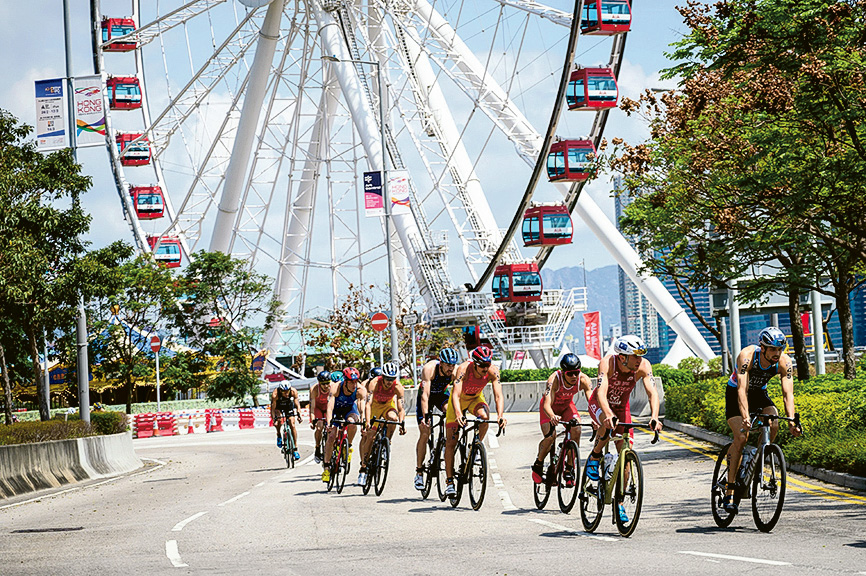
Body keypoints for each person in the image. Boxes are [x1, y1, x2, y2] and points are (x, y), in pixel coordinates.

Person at [722, 326, 801, 513]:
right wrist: (745, 417)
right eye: (772, 349)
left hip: (759, 394)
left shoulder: (784, 362)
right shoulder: (747, 356)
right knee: (741, 437)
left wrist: (792, 420)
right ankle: (730, 490)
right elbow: (741, 390)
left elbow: (787, 394)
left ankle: (757, 460)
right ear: (762, 347)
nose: (776, 353)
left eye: (779, 349)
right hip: (736, 394)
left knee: (774, 423)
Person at [584, 335, 662, 523]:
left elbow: (652, 393)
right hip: (601, 404)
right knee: (606, 422)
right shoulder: (607, 364)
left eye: (641, 355)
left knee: (626, 456)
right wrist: (608, 413)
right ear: (622, 357)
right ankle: (595, 456)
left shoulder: (643, 366)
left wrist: (654, 417)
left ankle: (619, 503)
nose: (639, 360)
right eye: (635, 356)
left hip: (622, 408)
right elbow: (601, 392)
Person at [444, 345, 507, 497]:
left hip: (475, 399)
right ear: (474, 363)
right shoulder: (464, 370)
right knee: (451, 441)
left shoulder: (493, 371)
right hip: (458, 401)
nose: (486, 368)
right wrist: (459, 414)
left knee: (485, 417)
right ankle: (449, 482)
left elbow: (498, 395)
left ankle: (476, 446)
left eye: (488, 364)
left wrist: (500, 415)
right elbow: (456, 395)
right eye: (482, 365)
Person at [531, 353, 592, 485]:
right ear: (563, 372)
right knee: (550, 436)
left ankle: (569, 468)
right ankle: (538, 463)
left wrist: (596, 419)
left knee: (577, 429)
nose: (574, 377)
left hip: (566, 407)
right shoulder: (554, 379)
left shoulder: (584, 380)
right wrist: (552, 416)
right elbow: (547, 403)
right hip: (549, 408)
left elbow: (592, 402)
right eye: (570, 373)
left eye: (576, 372)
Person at [413, 347, 458, 490]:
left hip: (441, 396)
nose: (451, 368)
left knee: (450, 413)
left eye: (453, 365)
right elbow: (425, 395)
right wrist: (426, 416)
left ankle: (443, 443)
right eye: (448, 365)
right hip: (426, 398)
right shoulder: (429, 369)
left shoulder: (455, 372)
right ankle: (419, 471)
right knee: (425, 432)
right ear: (441, 363)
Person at [358, 361, 406, 487]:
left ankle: (387, 442)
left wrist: (402, 424)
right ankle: (363, 467)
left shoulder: (398, 387)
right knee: (371, 435)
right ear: (382, 377)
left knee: (393, 418)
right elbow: (368, 403)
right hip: (375, 407)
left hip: (387, 406)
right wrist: (367, 421)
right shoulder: (374, 383)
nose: (389, 381)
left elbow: (401, 409)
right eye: (387, 378)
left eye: (392, 379)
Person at [321, 368, 367, 483]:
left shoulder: (360, 389)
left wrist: (364, 422)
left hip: (349, 410)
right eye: (351, 382)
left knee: (352, 423)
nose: (354, 384)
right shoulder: (336, 387)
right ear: (345, 381)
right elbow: (330, 406)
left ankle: (348, 447)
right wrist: (329, 423)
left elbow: (362, 409)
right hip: (336, 411)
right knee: (331, 437)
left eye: (355, 381)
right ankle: (326, 468)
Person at [270, 381, 302, 460]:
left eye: (287, 391)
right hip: (278, 407)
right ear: (280, 391)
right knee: (279, 420)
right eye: (284, 392)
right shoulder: (275, 394)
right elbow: (273, 409)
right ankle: (278, 435)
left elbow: (297, 404)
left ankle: (295, 449)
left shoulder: (293, 392)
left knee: (292, 424)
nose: (286, 394)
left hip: (288, 406)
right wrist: (274, 419)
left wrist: (299, 415)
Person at [310, 370, 332, 463]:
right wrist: (312, 420)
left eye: (327, 383)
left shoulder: (333, 388)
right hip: (318, 408)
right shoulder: (314, 389)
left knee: (332, 428)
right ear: (319, 383)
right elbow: (312, 407)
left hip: (328, 408)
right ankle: (318, 448)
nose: (326, 386)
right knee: (319, 427)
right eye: (323, 384)